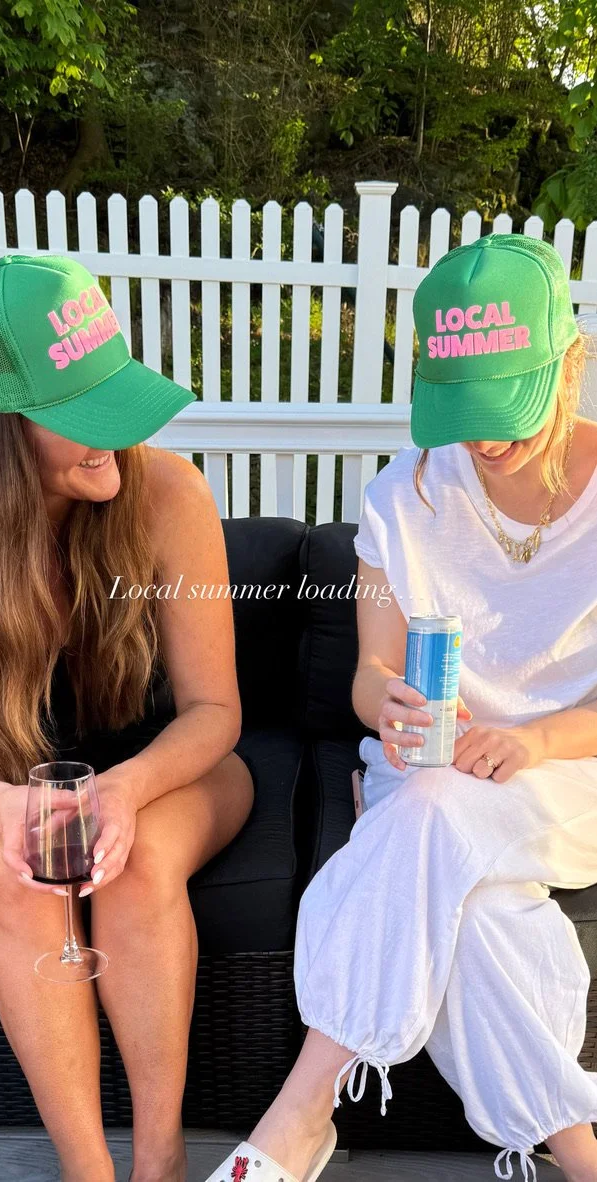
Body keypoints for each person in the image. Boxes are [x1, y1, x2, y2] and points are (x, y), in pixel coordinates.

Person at [206, 233, 597, 1182]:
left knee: (423, 821)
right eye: (460, 408)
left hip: (561, 768)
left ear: (568, 359)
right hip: (429, 764)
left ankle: (300, 1113)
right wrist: (393, 707)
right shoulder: (404, 493)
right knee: (471, 890)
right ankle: (582, 1152)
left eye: (506, 402)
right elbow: (369, 673)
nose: (483, 435)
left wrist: (534, 734)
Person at [0, 254, 254, 1182]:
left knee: (139, 858)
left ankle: (157, 1160)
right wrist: (2, 809)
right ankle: (89, 1171)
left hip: (165, 768)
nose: (112, 435)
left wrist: (125, 788)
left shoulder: (168, 495)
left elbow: (215, 710)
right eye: (78, 414)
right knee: (24, 878)